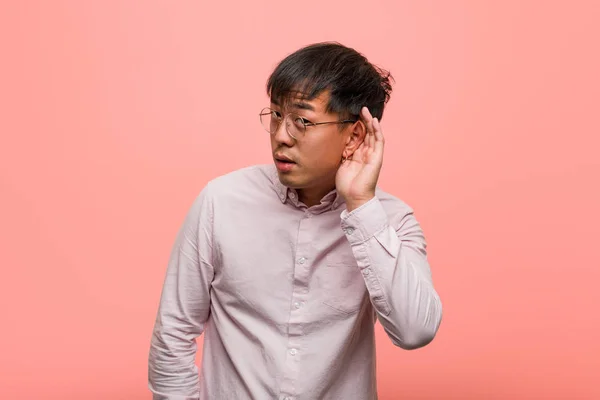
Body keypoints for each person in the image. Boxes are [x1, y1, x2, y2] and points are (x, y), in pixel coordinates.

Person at [148, 41, 443, 400]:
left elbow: (415, 331)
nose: (281, 136)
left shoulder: (390, 220)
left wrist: (362, 205)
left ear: (355, 136)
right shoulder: (221, 202)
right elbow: (174, 331)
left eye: (302, 121)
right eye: (275, 115)